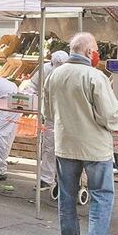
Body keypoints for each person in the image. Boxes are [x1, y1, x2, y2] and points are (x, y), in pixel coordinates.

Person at [44, 32, 118, 235]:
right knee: (101, 195)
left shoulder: (55, 75)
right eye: (96, 49)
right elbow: (109, 115)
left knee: (67, 195)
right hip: (94, 147)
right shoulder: (95, 76)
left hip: (65, 143)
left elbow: (48, 113)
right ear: (90, 52)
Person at [23, 49, 70, 191]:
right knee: (49, 146)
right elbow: (32, 85)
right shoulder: (45, 69)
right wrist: (31, 96)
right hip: (50, 113)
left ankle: (66, 179)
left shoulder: (71, 71)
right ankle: (46, 178)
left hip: (68, 114)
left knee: (68, 147)